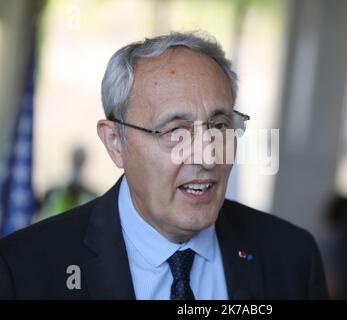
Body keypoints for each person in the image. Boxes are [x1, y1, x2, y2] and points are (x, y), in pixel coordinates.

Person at [0, 32, 328, 300]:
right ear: (116, 142)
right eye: (175, 131)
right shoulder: (24, 270)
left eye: (219, 126)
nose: (206, 156)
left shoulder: (292, 257)